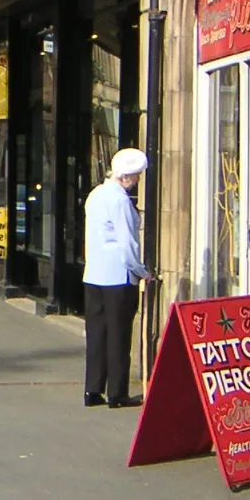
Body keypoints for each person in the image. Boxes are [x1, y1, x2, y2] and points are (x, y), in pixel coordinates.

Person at [82, 147, 152, 409]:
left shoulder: (96, 195)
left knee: (97, 333)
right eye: (136, 176)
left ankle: (92, 389)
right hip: (118, 277)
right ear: (126, 177)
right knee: (119, 335)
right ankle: (117, 393)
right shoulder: (120, 201)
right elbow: (128, 244)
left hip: (94, 274)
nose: (137, 181)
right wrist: (142, 271)